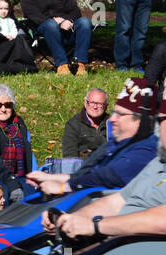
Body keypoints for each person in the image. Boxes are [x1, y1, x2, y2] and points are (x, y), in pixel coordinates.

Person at [45, 71, 166, 241]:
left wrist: (94, 226)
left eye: (160, 123)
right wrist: (71, 219)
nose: (156, 130)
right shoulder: (164, 162)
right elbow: (118, 201)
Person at [29, 77, 158, 195]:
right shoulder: (116, 143)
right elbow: (84, 173)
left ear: (141, 121)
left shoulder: (147, 149)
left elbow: (110, 176)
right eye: (114, 112)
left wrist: (64, 187)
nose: (112, 119)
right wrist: (48, 177)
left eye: (120, 114)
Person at [19, 0, 91, 74]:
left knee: (85, 22)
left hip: (68, 28)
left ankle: (80, 65)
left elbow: (75, 10)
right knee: (50, 25)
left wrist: (68, 20)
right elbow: (34, 16)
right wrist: (56, 22)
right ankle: (62, 65)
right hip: (44, 32)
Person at [62, 88, 109, 159]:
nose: (95, 107)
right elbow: (69, 156)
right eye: (92, 102)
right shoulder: (73, 125)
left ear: (106, 106)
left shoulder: (112, 123)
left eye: (100, 104)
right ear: (85, 103)